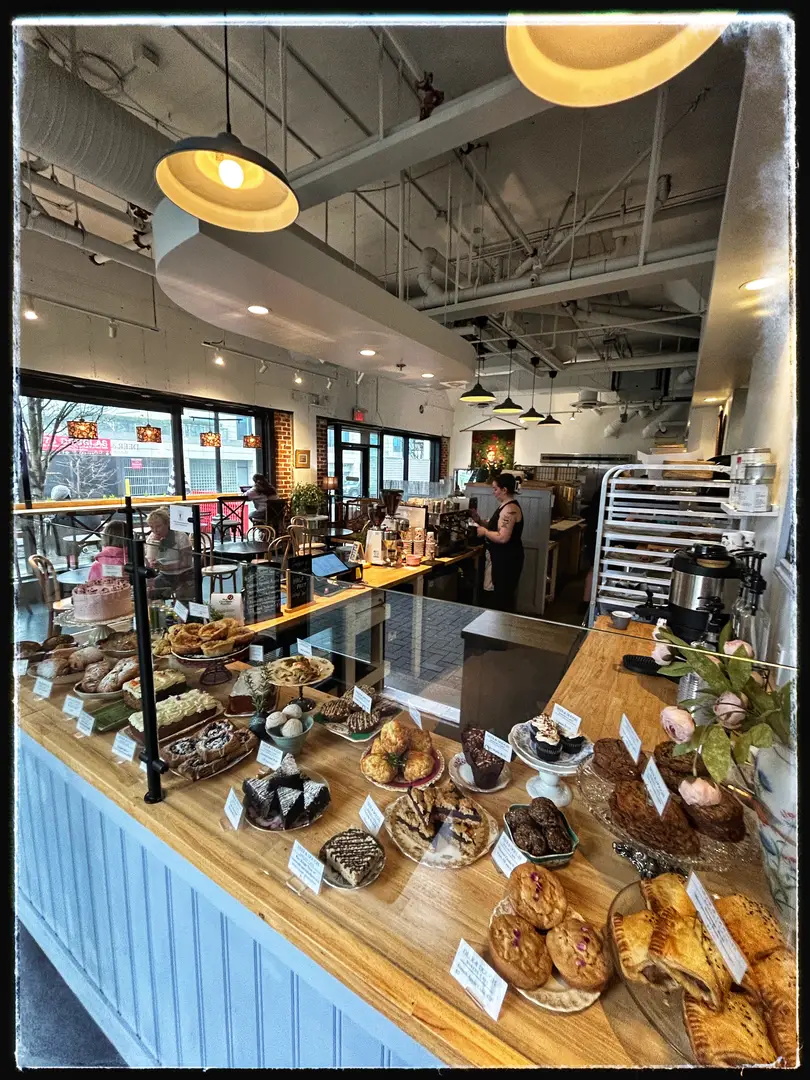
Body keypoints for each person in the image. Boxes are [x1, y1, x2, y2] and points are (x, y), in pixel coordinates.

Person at [472, 473, 525, 613]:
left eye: (495, 489)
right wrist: (479, 520)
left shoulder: (509, 510)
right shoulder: (505, 506)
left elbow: (503, 537)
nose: (493, 492)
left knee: (498, 596)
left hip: (505, 559)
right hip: (502, 557)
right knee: (495, 593)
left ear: (504, 490)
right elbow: (495, 527)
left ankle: (496, 623)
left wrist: (484, 532)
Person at [144, 507, 193, 597]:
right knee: (149, 592)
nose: (155, 530)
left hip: (185, 574)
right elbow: (149, 560)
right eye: (151, 527)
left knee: (182, 597)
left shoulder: (180, 536)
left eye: (158, 526)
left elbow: (187, 563)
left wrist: (165, 567)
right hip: (165, 575)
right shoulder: (151, 537)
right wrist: (152, 559)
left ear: (167, 524)